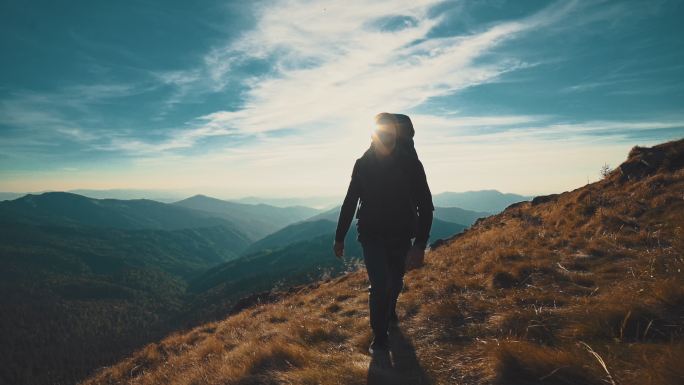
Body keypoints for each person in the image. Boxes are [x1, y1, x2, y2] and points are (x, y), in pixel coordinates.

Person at [333, 112, 434, 354]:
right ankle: (380, 339)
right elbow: (350, 202)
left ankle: (389, 312)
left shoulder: (411, 165)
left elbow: (425, 205)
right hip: (371, 234)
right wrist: (339, 237)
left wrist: (420, 245)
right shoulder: (363, 163)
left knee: (395, 281)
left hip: (401, 234)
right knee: (380, 285)